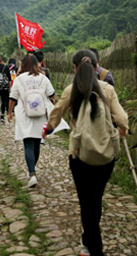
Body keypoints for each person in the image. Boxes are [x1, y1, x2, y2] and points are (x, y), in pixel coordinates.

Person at [43, 49, 127, 256]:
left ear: (74, 68)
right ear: (98, 65)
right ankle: (89, 243)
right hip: (105, 157)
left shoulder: (71, 90)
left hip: (80, 156)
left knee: (86, 202)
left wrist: (49, 129)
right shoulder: (107, 89)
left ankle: (92, 247)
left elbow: (56, 113)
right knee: (96, 199)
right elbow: (122, 118)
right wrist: (122, 131)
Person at [7, 54, 56, 188]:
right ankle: (32, 168)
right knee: (37, 143)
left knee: (28, 143)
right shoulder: (43, 78)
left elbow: (13, 98)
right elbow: (52, 96)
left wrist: (10, 113)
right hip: (40, 114)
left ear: (23, 64)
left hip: (24, 114)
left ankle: (32, 173)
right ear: (36, 64)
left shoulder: (19, 79)